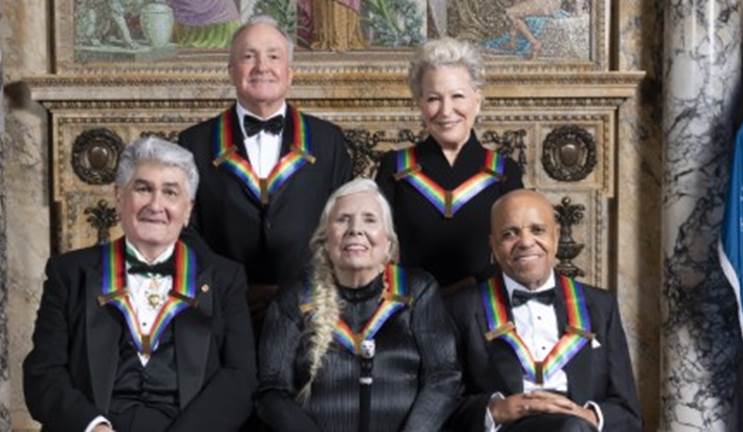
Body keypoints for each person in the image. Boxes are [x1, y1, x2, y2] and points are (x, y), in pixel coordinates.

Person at [23, 137, 257, 432]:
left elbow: (240, 377)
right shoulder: (69, 272)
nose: (156, 205)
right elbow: (43, 373)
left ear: (188, 210)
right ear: (119, 197)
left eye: (170, 192)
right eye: (143, 188)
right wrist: (93, 427)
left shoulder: (225, 279)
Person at [178, 15, 353, 327]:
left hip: (308, 313)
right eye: (248, 56)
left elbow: (343, 226)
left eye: (274, 56)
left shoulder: (328, 140)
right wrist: (232, 287)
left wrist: (302, 292)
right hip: (222, 312)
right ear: (231, 71)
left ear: (290, 73)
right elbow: (184, 230)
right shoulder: (194, 143)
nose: (262, 66)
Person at [256, 178, 461, 431]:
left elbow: (443, 378)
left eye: (370, 219)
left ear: (388, 241)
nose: (355, 229)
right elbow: (272, 390)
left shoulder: (418, 290)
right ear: (325, 239)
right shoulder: (295, 297)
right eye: (343, 219)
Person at [447, 189, 642, 431]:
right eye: (510, 234)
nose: (526, 242)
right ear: (494, 246)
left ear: (556, 237)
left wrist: (587, 416)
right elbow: (444, 406)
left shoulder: (600, 306)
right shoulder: (462, 308)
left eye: (538, 230)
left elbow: (628, 412)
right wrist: (496, 410)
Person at [376, 37, 523, 294]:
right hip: (411, 311)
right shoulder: (394, 168)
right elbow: (376, 251)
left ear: (477, 101)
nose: (446, 111)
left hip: (484, 311)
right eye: (433, 98)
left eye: (457, 96)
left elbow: (516, 252)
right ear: (419, 104)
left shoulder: (504, 172)